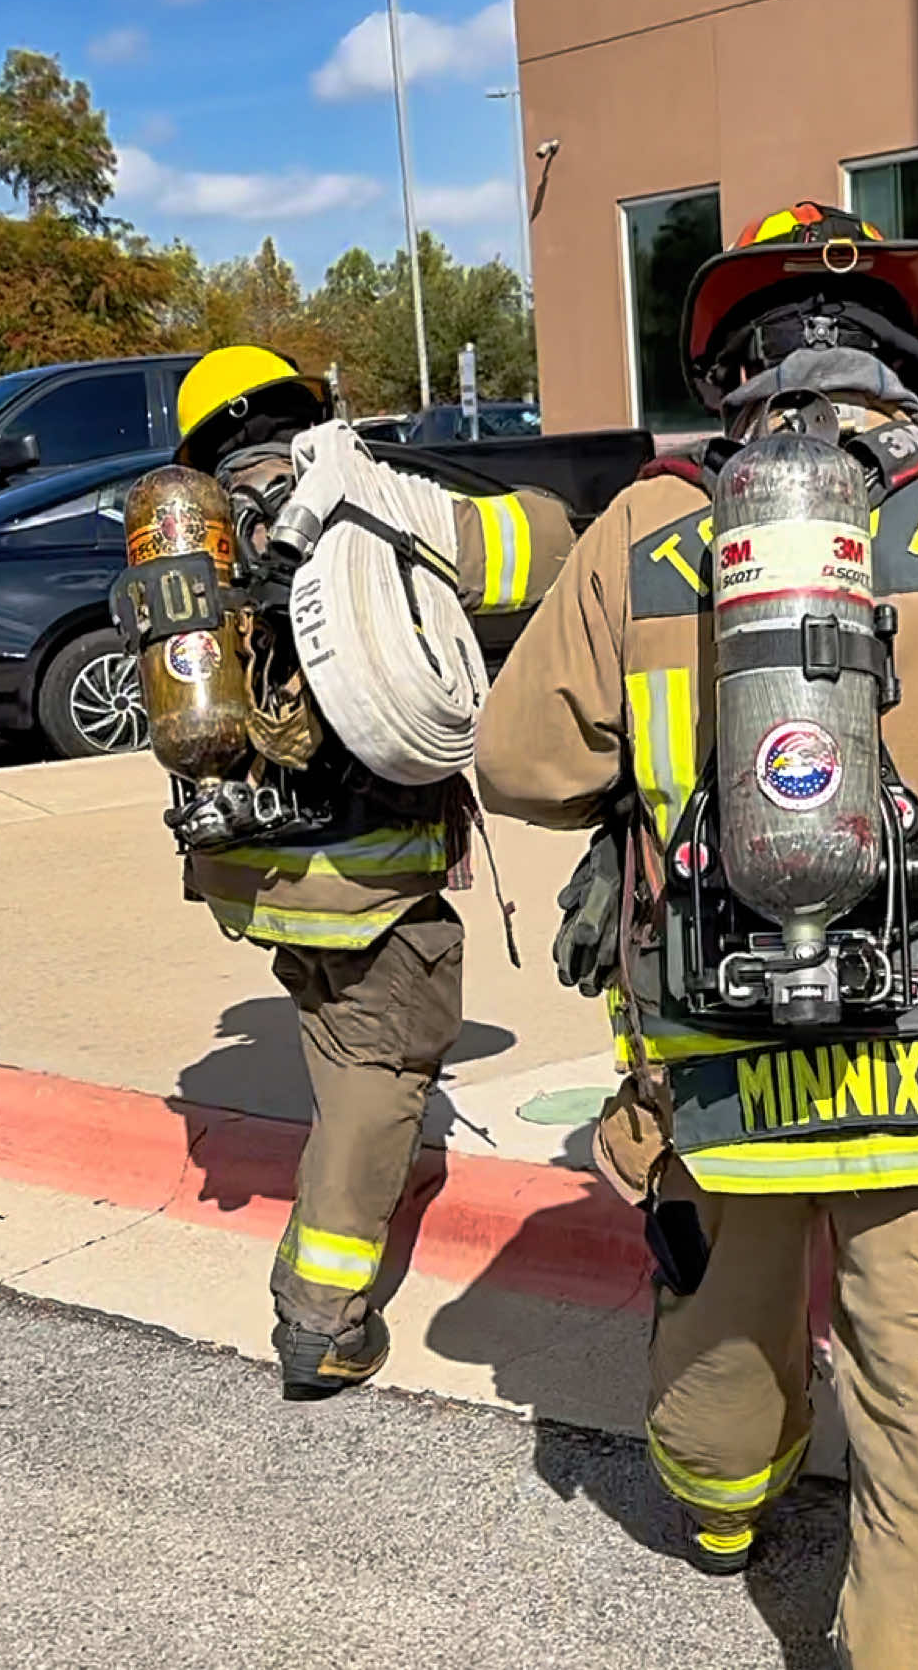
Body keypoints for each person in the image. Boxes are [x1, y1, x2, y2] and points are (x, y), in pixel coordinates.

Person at [473, 204, 918, 1669]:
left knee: (726, 1305)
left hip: (716, 1027)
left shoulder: (651, 524)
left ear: (732, 367)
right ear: (903, 357)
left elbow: (522, 766)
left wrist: (659, 797)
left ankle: (723, 1513)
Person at [172, 346, 574, 1401]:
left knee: (328, 1018)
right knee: (381, 1072)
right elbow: (541, 550)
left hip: (252, 874)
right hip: (365, 876)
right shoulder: (363, 504)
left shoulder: (194, 539)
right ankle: (322, 1320)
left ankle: (334, 1259)